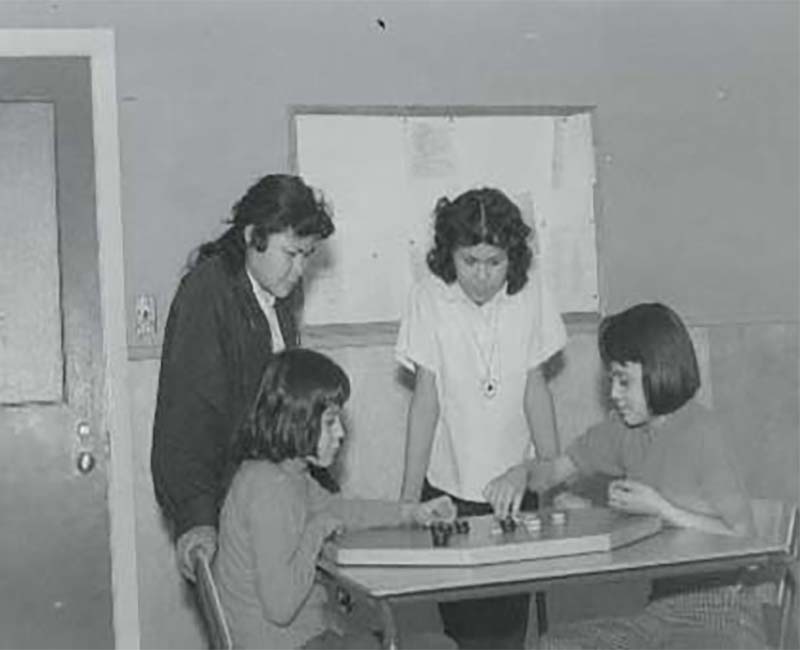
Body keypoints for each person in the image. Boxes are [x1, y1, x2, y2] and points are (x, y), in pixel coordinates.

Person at [517, 302, 765, 649]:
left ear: (659, 371)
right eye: (611, 381)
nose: (614, 394)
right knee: (552, 645)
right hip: (659, 613)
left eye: (624, 381)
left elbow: (746, 541)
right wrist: (519, 474)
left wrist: (663, 509)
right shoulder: (623, 431)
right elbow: (554, 471)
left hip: (722, 615)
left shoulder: (701, 432)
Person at [396, 187, 567, 649]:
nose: (483, 275)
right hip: (449, 489)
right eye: (470, 261)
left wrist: (553, 474)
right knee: (464, 632)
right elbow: (426, 401)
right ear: (449, 254)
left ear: (512, 257)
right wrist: (407, 500)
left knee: (508, 630)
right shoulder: (429, 297)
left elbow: (536, 389)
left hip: (516, 488)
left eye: (495, 262)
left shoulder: (531, 295)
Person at [151, 174, 335, 581]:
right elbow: (188, 416)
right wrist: (196, 517)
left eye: (307, 255)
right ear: (254, 236)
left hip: (270, 505)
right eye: (291, 253)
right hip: (226, 509)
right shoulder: (207, 292)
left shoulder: (277, 294)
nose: (300, 268)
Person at [214, 348, 458, 649]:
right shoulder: (270, 490)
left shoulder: (287, 473)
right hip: (287, 644)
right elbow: (280, 607)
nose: (341, 432)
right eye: (330, 422)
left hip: (297, 640)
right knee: (439, 647)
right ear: (296, 419)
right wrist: (316, 531)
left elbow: (340, 509)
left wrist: (411, 512)